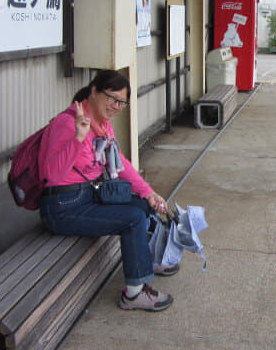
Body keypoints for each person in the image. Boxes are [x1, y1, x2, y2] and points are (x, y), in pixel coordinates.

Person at [38, 70, 177, 312]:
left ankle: (146, 260)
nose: (115, 106)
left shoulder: (102, 126)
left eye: (121, 102)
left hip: (88, 196)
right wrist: (78, 139)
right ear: (94, 91)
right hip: (62, 206)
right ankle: (133, 294)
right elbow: (51, 175)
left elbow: (119, 163)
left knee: (143, 206)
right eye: (111, 98)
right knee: (132, 219)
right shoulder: (67, 123)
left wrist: (148, 193)